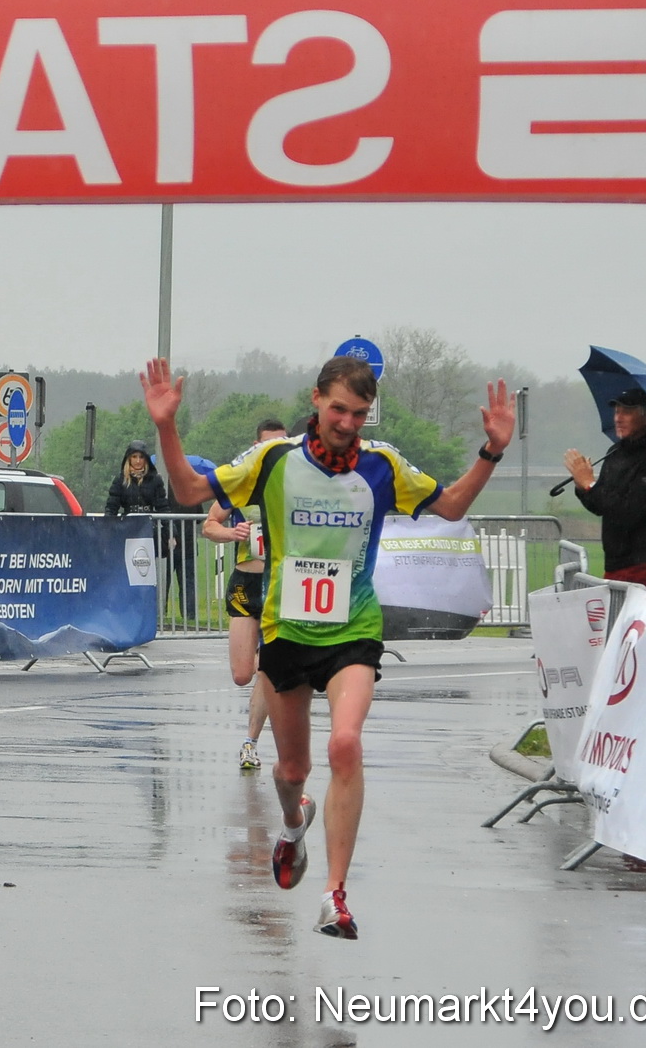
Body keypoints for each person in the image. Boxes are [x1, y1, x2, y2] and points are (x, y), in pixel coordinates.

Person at [142, 355, 512, 940]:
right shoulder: (275, 459)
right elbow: (189, 490)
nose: (347, 422)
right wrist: (166, 425)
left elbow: (452, 506)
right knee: (293, 771)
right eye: (338, 408)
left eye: (359, 413)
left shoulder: (381, 465)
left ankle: (334, 896)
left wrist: (491, 452)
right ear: (317, 400)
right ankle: (293, 827)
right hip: (287, 631)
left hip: (354, 627)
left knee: (346, 744)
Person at [201, 418, 289, 770]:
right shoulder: (241, 484)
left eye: (281, 445)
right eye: (267, 445)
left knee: (268, 665)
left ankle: (250, 743)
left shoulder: (296, 486)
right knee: (242, 674)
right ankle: (274, 661)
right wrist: (232, 533)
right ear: (256, 448)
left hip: (279, 585)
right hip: (245, 583)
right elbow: (209, 526)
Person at [564, 388, 646, 594]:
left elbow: (629, 511)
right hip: (615, 565)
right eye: (616, 412)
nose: (618, 418)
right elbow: (600, 505)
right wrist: (582, 485)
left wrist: (590, 484)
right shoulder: (615, 452)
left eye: (627, 412)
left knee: (641, 627)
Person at [103, 441, 167, 516]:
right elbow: (112, 507)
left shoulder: (155, 479)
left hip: (149, 524)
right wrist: (107, 526)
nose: (138, 461)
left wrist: (170, 527)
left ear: (146, 459)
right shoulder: (120, 479)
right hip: (128, 524)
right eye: (134, 456)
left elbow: (163, 508)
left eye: (141, 457)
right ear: (129, 458)